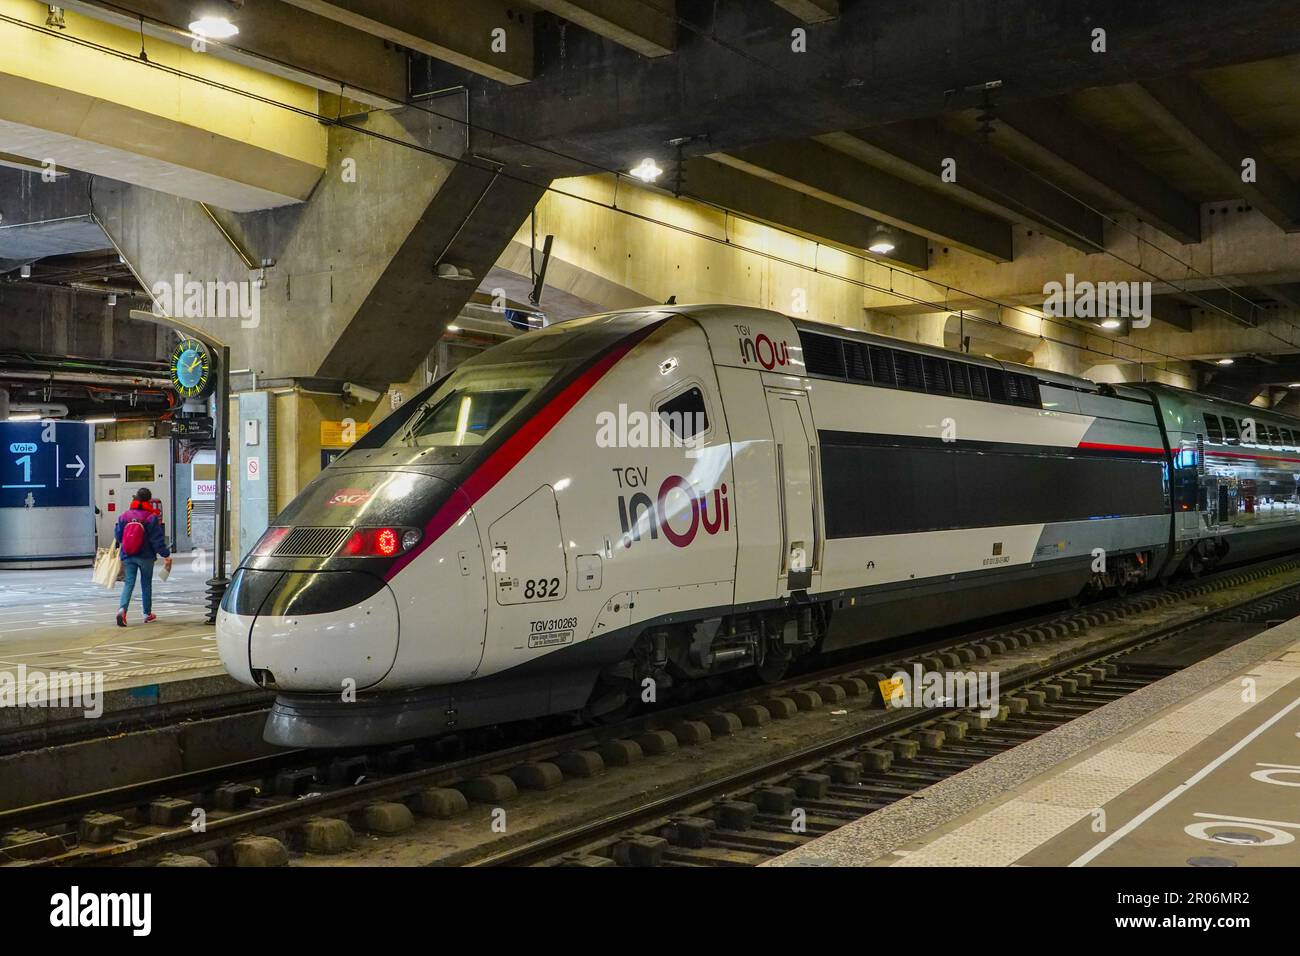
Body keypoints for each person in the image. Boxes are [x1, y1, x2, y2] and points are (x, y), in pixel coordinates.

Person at [114, 488, 172, 626]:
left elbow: (118, 536)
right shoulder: (151, 517)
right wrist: (166, 554)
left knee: (129, 583)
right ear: (148, 500)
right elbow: (156, 539)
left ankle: (122, 610)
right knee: (146, 584)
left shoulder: (124, 516)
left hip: (128, 555)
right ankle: (147, 614)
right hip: (146, 557)